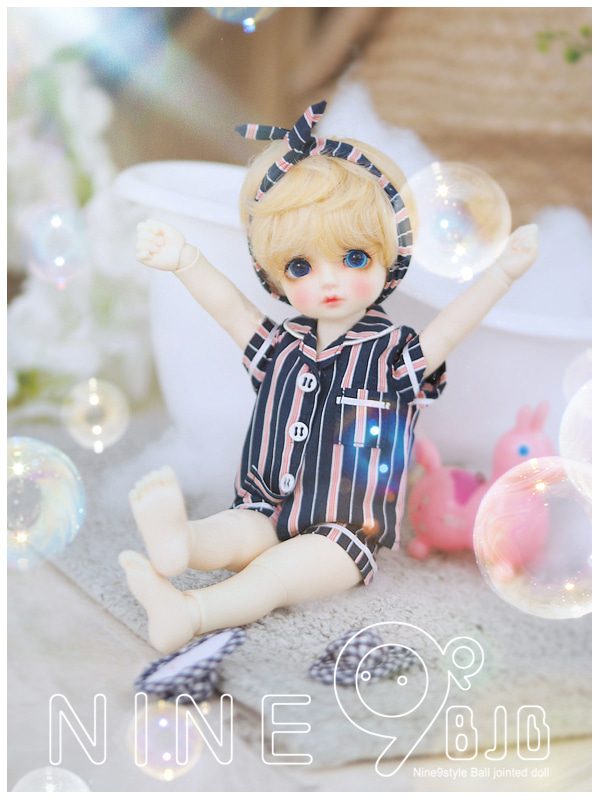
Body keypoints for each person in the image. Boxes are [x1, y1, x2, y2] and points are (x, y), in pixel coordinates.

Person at [119, 101, 538, 653]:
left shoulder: (393, 354)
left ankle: (191, 611)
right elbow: (231, 311)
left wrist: (502, 273)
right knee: (236, 531)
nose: (329, 282)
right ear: (274, 275)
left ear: (390, 257)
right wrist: (185, 260)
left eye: (355, 258)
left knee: (275, 576)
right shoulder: (282, 346)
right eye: (301, 266)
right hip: (266, 506)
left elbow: (449, 329)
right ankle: (185, 541)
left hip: (343, 535)